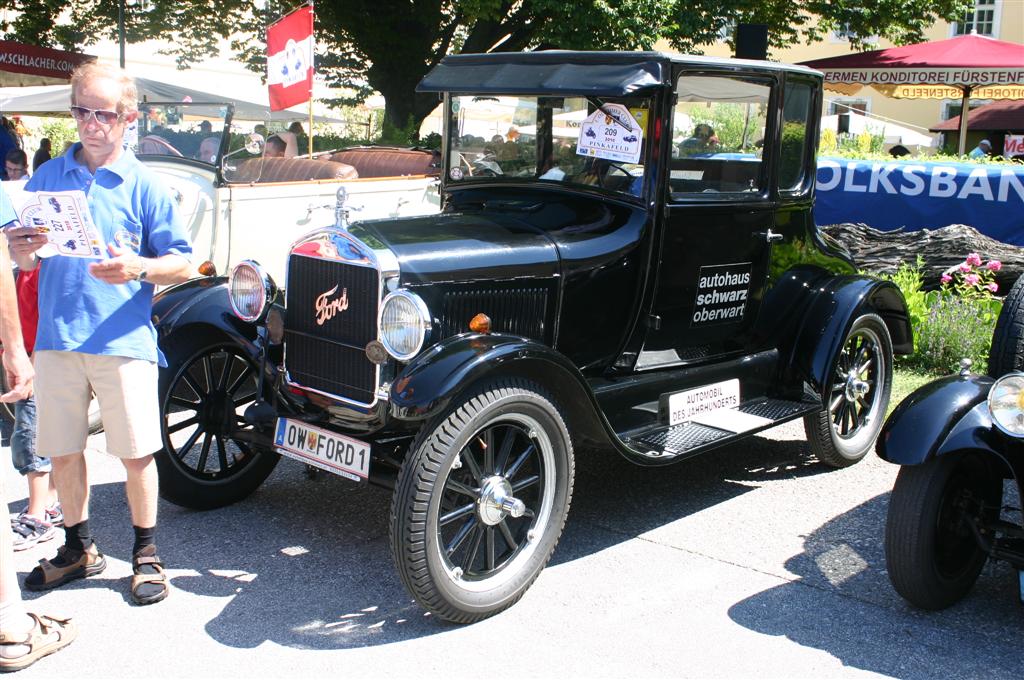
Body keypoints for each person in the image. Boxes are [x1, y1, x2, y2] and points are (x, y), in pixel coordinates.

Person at [6, 61, 193, 606]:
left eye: (103, 114)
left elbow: (183, 264)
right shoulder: (46, 177)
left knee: (136, 455)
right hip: (58, 337)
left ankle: (146, 554)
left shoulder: (148, 184)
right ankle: (78, 548)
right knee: (63, 452)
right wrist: (21, 252)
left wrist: (137, 267)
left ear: (129, 117)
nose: (91, 124)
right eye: (81, 111)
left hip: (121, 339)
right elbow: (26, 253)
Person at [0, 185, 76, 672]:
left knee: (34, 436)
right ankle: (11, 626)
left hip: (44, 346)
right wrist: (14, 352)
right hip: (30, 343)